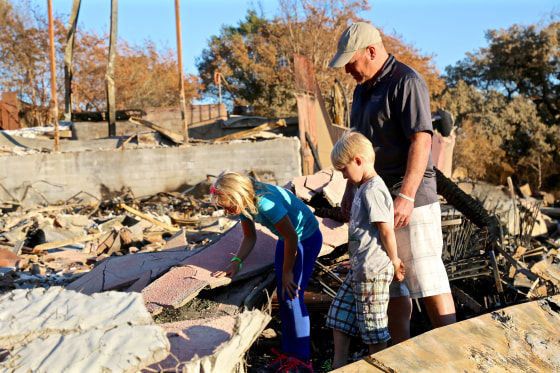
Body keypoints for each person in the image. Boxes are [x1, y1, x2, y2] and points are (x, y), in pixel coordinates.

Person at [328, 22, 457, 336]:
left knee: (427, 280)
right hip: (378, 200)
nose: (347, 71)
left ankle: (458, 351)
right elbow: (356, 149)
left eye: (351, 62)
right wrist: (350, 190)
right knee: (391, 283)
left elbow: (421, 141)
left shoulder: (406, 82)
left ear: (371, 52)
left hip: (411, 199)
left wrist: (407, 196)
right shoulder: (361, 92)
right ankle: (401, 356)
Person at [210, 170, 322, 373]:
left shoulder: (265, 203)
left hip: (304, 239)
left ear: (238, 196)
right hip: (285, 240)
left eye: (228, 207)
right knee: (283, 297)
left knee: (293, 298)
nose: (227, 213)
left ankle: (304, 361)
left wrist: (288, 272)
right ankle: (289, 356)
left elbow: (293, 238)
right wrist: (236, 262)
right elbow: (249, 237)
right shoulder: (243, 204)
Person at [326, 130, 406, 369]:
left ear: (358, 161)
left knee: (373, 327)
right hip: (359, 271)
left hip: (373, 272)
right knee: (339, 315)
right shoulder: (361, 188)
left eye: (344, 170)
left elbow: (386, 230)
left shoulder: (374, 190)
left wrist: (394, 261)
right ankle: (339, 363)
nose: (343, 176)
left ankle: (377, 365)